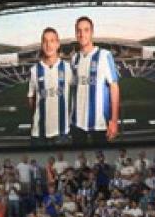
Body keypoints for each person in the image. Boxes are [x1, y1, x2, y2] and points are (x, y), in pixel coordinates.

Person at [69, 16, 121, 145]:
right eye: (79, 30)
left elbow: (114, 87)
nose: (82, 34)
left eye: (86, 30)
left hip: (100, 124)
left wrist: (114, 120)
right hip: (76, 124)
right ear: (76, 33)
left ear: (92, 32)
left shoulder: (104, 55)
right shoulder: (74, 58)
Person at [26, 27, 74, 146]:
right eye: (45, 41)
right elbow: (31, 98)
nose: (48, 45)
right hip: (39, 135)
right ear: (42, 45)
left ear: (58, 44)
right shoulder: (34, 71)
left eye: (52, 41)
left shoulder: (67, 68)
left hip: (62, 133)